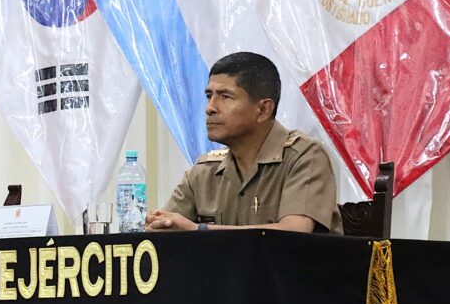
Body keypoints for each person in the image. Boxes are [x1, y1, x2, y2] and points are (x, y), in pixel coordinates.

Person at [146, 52, 342, 234]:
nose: (210, 108)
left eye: (225, 97)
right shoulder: (204, 170)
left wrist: (199, 231)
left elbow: (293, 233)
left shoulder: (305, 155)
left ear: (263, 109)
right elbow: (166, 231)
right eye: (209, 96)